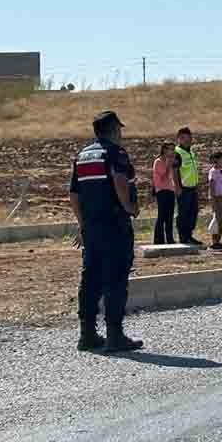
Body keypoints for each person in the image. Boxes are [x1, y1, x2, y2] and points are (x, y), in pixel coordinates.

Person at [69, 111, 143, 352]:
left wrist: (83, 225)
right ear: (113, 129)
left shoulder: (82, 156)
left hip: (92, 228)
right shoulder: (115, 153)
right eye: (119, 129)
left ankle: (87, 334)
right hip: (114, 225)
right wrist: (129, 207)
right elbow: (120, 181)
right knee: (116, 278)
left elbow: (74, 195)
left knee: (90, 279)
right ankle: (115, 335)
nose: (121, 133)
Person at [173, 127, 203, 246]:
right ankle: (183, 237)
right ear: (179, 138)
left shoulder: (190, 152)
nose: (188, 140)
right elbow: (174, 171)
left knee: (193, 212)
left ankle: (189, 235)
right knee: (183, 213)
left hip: (192, 187)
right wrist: (177, 187)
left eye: (189, 138)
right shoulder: (177, 153)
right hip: (183, 189)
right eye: (184, 138)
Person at [151, 143, 177, 245]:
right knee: (162, 215)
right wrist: (168, 164)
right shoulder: (158, 162)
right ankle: (158, 240)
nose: (172, 151)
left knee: (170, 216)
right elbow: (163, 176)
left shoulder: (168, 161)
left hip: (170, 190)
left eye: (173, 149)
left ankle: (170, 239)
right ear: (164, 150)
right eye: (170, 149)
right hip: (161, 191)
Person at [207, 152, 222, 250]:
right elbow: (212, 185)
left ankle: (218, 240)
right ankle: (214, 242)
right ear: (216, 160)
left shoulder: (221, 171)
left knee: (221, 220)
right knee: (217, 219)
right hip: (217, 198)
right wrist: (213, 198)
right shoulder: (213, 171)